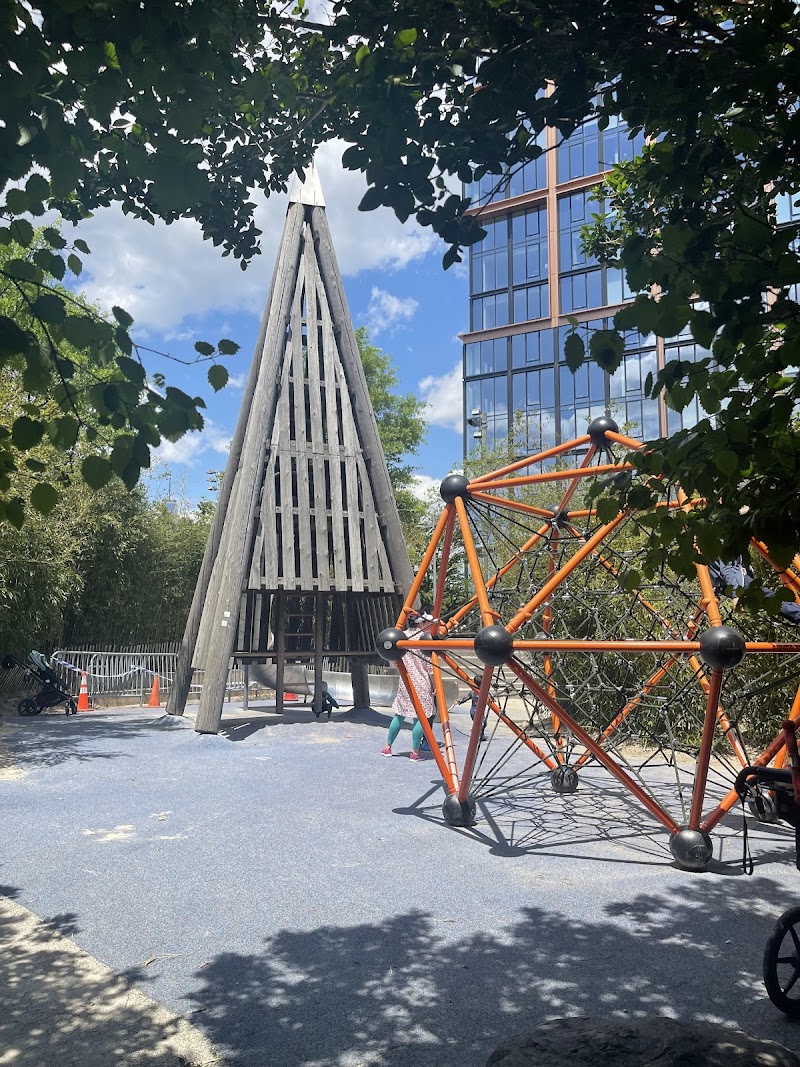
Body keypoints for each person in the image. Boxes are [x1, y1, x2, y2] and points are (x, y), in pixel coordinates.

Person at [381, 611, 437, 761]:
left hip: (405, 681)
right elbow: (430, 666)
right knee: (421, 717)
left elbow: (392, 661)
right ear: (421, 623)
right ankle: (415, 751)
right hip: (422, 681)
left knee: (399, 714)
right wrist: (434, 685)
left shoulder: (400, 636)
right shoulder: (424, 639)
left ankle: (388, 746)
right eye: (427, 623)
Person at [459, 675, 488, 741]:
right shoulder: (474, 692)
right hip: (475, 711)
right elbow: (466, 698)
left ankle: (481, 734)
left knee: (483, 723)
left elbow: (489, 696)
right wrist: (459, 701)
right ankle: (477, 735)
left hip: (478, 711)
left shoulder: (482, 691)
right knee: (481, 723)